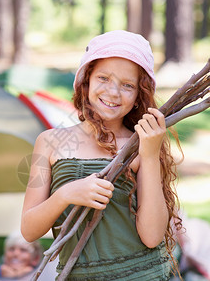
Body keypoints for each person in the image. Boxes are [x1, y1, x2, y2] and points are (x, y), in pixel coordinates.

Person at [21, 30, 182, 280]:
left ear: (139, 95)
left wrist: (149, 156)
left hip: (141, 274)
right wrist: (66, 194)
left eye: (127, 85)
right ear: (86, 81)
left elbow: (152, 237)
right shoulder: (49, 143)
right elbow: (29, 229)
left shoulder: (142, 144)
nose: (113, 92)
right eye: (104, 78)